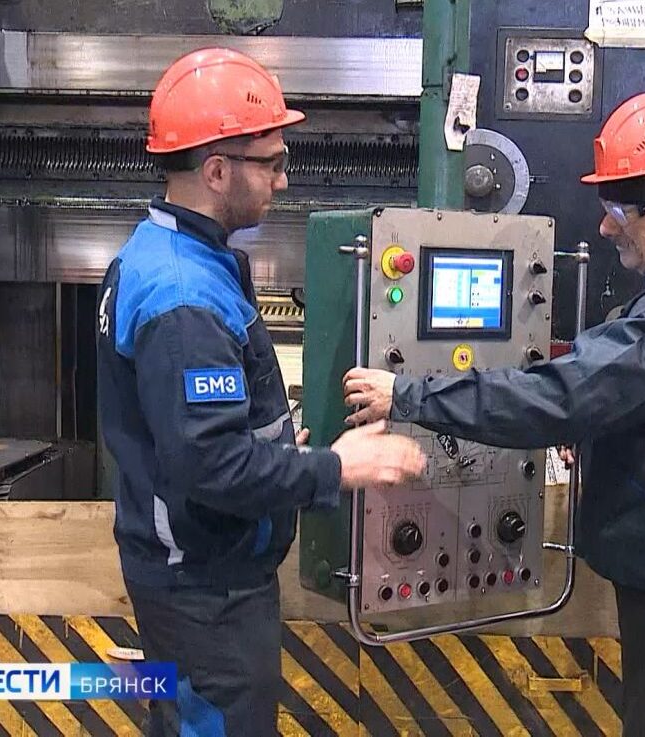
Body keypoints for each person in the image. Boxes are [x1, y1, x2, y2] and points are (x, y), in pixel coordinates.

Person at [342, 90, 645, 737]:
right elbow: (630, 394)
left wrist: (408, 395)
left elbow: (561, 395)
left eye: (616, 209)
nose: (605, 228)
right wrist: (602, 423)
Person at [96, 48, 425, 737]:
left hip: (208, 577)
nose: (283, 177)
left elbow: (194, 435)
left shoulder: (181, 253)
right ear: (217, 170)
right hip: (203, 591)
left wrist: (273, 448)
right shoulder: (183, 298)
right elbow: (208, 464)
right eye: (271, 162)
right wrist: (336, 467)